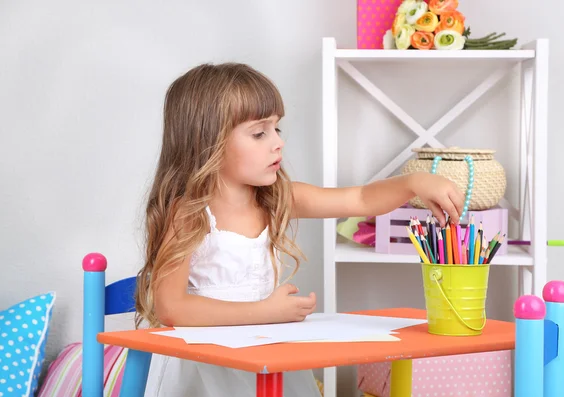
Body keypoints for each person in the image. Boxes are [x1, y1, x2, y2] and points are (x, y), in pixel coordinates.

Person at [134, 62, 464, 396]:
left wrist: (414, 182)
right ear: (209, 142)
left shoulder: (278, 199)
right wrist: (263, 312)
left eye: (277, 129)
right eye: (259, 133)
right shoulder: (187, 213)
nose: (277, 142)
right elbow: (171, 308)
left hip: (265, 354)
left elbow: (361, 199)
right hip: (205, 369)